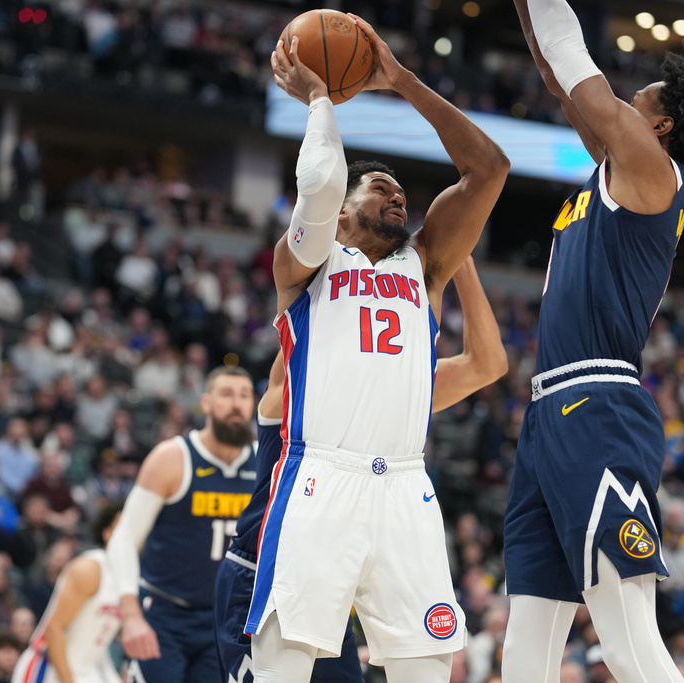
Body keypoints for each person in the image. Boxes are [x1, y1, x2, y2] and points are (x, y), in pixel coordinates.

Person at [248, 14, 509, 683]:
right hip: (320, 478)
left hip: (404, 485)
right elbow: (318, 185)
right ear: (342, 211)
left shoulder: (423, 264)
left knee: (426, 667)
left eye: (400, 190)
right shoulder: (305, 262)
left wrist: (399, 79)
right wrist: (319, 103)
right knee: (281, 666)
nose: (398, 195)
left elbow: (489, 168)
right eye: (379, 187)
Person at [501, 2, 684, 683]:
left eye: (642, 93)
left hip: (597, 406)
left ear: (662, 124)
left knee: (625, 631)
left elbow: (578, 72)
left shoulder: (651, 168)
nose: (629, 90)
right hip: (550, 410)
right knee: (527, 634)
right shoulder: (623, 167)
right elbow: (559, 78)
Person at [214, 257, 508, 683]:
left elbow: (487, 364)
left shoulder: (398, 389)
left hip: (335, 580)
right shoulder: (301, 375)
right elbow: (300, 308)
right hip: (261, 574)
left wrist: (456, 257)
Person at [106, 367, 258, 683]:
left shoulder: (263, 462)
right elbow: (124, 539)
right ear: (205, 403)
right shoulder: (173, 457)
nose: (236, 404)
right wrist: (131, 615)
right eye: (226, 394)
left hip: (227, 619)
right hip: (164, 614)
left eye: (244, 396)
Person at [10, 502, 123, 683]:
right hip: (48, 668)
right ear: (107, 534)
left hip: (86, 670)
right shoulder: (91, 568)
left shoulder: (131, 579)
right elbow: (53, 629)